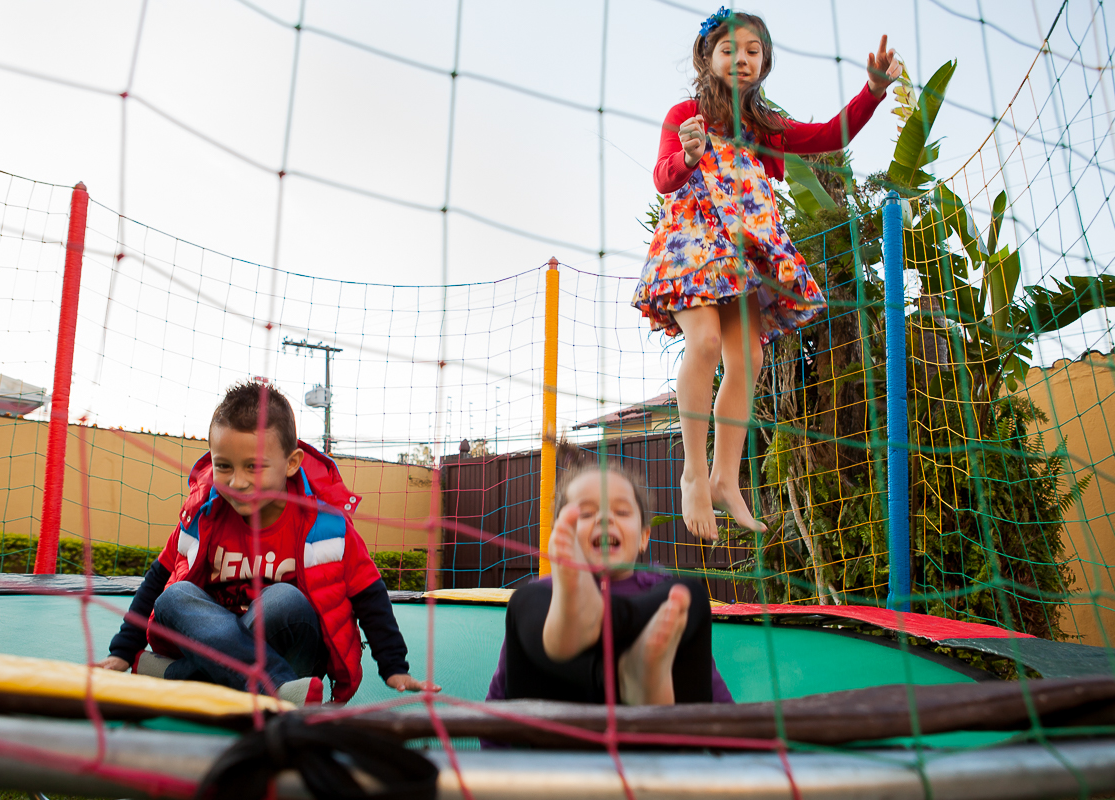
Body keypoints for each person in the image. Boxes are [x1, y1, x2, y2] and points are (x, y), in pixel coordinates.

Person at [632, 7, 902, 538]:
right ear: (706, 58)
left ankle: (725, 479)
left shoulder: (768, 127)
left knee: (750, 356)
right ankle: (692, 471)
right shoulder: (685, 112)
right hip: (692, 249)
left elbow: (831, 133)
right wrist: (688, 155)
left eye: (753, 51)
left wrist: (871, 90)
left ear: (765, 62)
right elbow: (664, 178)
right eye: (729, 49)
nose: (741, 59)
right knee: (705, 344)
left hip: (743, 255)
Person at [97, 380, 439, 706]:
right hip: (260, 668)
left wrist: (394, 666)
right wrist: (121, 652)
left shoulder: (326, 527)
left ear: (291, 464)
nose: (237, 482)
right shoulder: (203, 516)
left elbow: (369, 596)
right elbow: (157, 579)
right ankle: (272, 690)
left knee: (282, 599)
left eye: (254, 467)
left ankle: (178, 675)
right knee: (174, 596)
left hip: (292, 653)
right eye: (224, 466)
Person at [487, 462, 733, 706]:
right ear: (560, 533)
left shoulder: (663, 600)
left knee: (690, 598)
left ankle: (618, 646)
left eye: (622, 512)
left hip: (650, 735)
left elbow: (713, 695)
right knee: (525, 602)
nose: (604, 518)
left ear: (644, 536)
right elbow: (500, 697)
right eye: (585, 513)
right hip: (553, 735)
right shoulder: (541, 598)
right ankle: (597, 641)